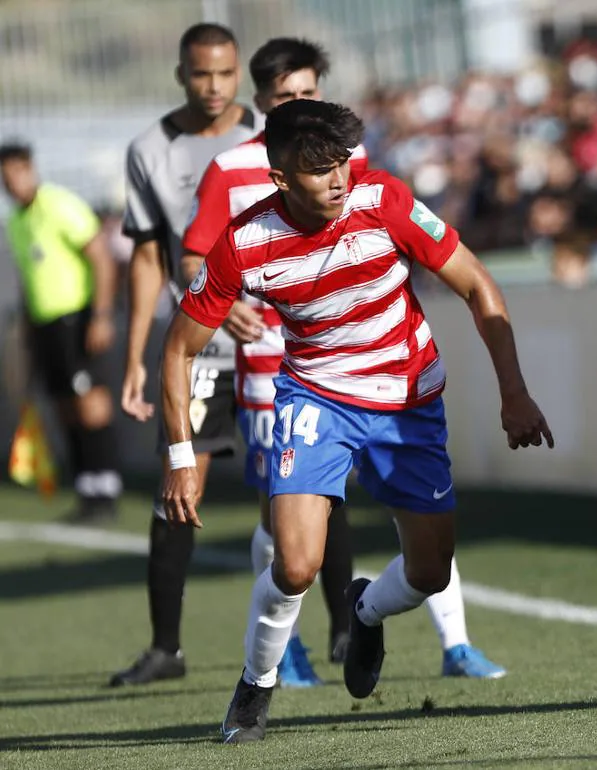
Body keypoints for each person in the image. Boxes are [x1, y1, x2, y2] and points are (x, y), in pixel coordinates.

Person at [161, 99, 553, 744]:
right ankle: (254, 689)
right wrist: (180, 460)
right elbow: (178, 349)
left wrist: (514, 391)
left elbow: (478, 285)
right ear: (281, 178)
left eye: (343, 163)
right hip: (316, 400)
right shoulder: (245, 244)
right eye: (320, 171)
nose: (340, 179)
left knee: (429, 573)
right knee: (294, 565)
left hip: (408, 401)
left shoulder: (386, 200)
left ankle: (364, 611)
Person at [183, 37, 506, 685]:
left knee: (424, 546)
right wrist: (224, 312)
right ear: (265, 106)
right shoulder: (231, 175)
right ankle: (273, 663)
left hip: (397, 384)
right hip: (285, 367)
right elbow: (197, 263)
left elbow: (464, 274)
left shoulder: (359, 174)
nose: (302, 106)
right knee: (286, 537)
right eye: (287, 98)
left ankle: (439, 636)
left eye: (310, 93)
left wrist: (514, 391)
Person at [111, 22, 260, 687]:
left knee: (319, 480)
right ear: (181, 74)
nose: (213, 86)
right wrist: (141, 350)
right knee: (180, 481)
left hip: (281, 339)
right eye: (201, 74)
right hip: (200, 349)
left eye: (225, 73)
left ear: (240, 75)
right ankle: (166, 648)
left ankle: (343, 635)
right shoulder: (150, 150)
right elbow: (150, 257)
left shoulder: (271, 132)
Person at [0, 142, 122, 523]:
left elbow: (100, 255)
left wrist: (100, 315)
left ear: (31, 168)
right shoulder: (18, 221)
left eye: (18, 172)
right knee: (64, 404)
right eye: (6, 177)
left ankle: (107, 486)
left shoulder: (58, 205)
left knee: (90, 402)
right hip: (44, 325)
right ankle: (87, 486)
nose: (13, 182)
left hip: (76, 318)